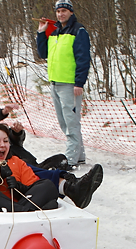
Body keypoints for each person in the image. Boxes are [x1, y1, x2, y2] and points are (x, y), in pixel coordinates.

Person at [37, 0, 91, 168]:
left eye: (64, 11)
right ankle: (79, 156)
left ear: (71, 12)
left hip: (70, 85)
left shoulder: (78, 31)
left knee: (71, 122)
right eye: (58, 11)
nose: (61, 14)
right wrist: (41, 33)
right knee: (64, 122)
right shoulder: (54, 33)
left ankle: (70, 159)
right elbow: (43, 53)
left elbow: (83, 58)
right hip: (55, 83)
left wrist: (79, 83)